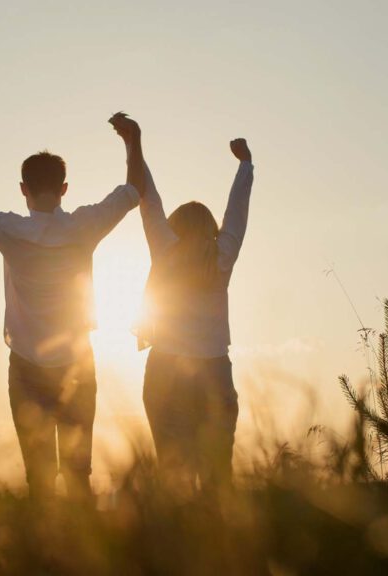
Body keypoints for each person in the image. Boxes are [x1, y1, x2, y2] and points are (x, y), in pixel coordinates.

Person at [0, 133, 141, 500]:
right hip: (77, 368)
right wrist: (132, 141)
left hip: (26, 368)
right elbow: (134, 190)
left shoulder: (11, 231)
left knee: (38, 481)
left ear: (23, 188)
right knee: (78, 476)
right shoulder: (85, 226)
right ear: (64, 188)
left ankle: (42, 555)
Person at [109, 113, 255, 496]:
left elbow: (148, 198)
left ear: (175, 226)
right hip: (214, 372)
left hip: (166, 372)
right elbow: (236, 215)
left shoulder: (165, 250)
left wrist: (133, 143)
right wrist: (245, 165)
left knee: (172, 476)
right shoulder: (221, 259)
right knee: (217, 477)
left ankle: (175, 548)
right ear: (211, 230)